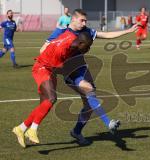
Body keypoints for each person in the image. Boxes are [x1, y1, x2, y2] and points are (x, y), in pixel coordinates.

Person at [12, 9, 138, 148]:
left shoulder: (86, 31)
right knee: (84, 92)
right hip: (70, 70)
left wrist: (128, 31)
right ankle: (108, 123)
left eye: (85, 21)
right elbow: (43, 50)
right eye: (82, 20)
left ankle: (74, 131)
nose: (84, 23)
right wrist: (58, 62)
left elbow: (105, 34)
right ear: (73, 19)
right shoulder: (60, 32)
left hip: (82, 68)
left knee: (89, 104)